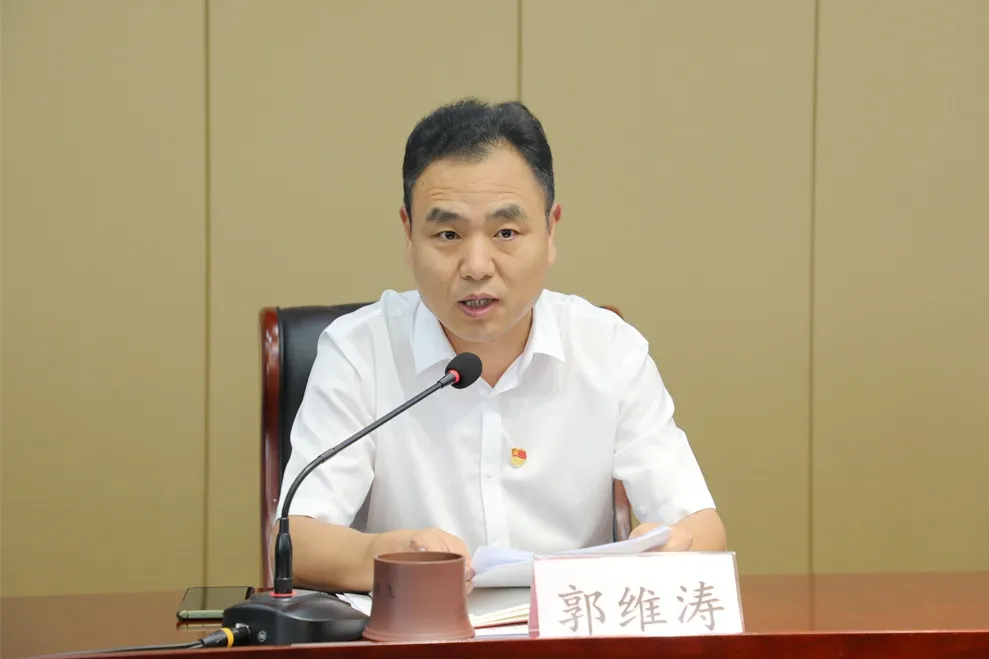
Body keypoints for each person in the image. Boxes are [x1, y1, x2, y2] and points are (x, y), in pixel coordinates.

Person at [276, 98, 725, 594]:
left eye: (505, 232)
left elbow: (700, 525)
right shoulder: (360, 352)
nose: (476, 266)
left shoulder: (610, 350)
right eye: (448, 233)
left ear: (551, 230)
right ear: (408, 233)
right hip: (420, 630)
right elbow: (299, 542)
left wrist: (670, 550)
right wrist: (394, 553)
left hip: (565, 630)